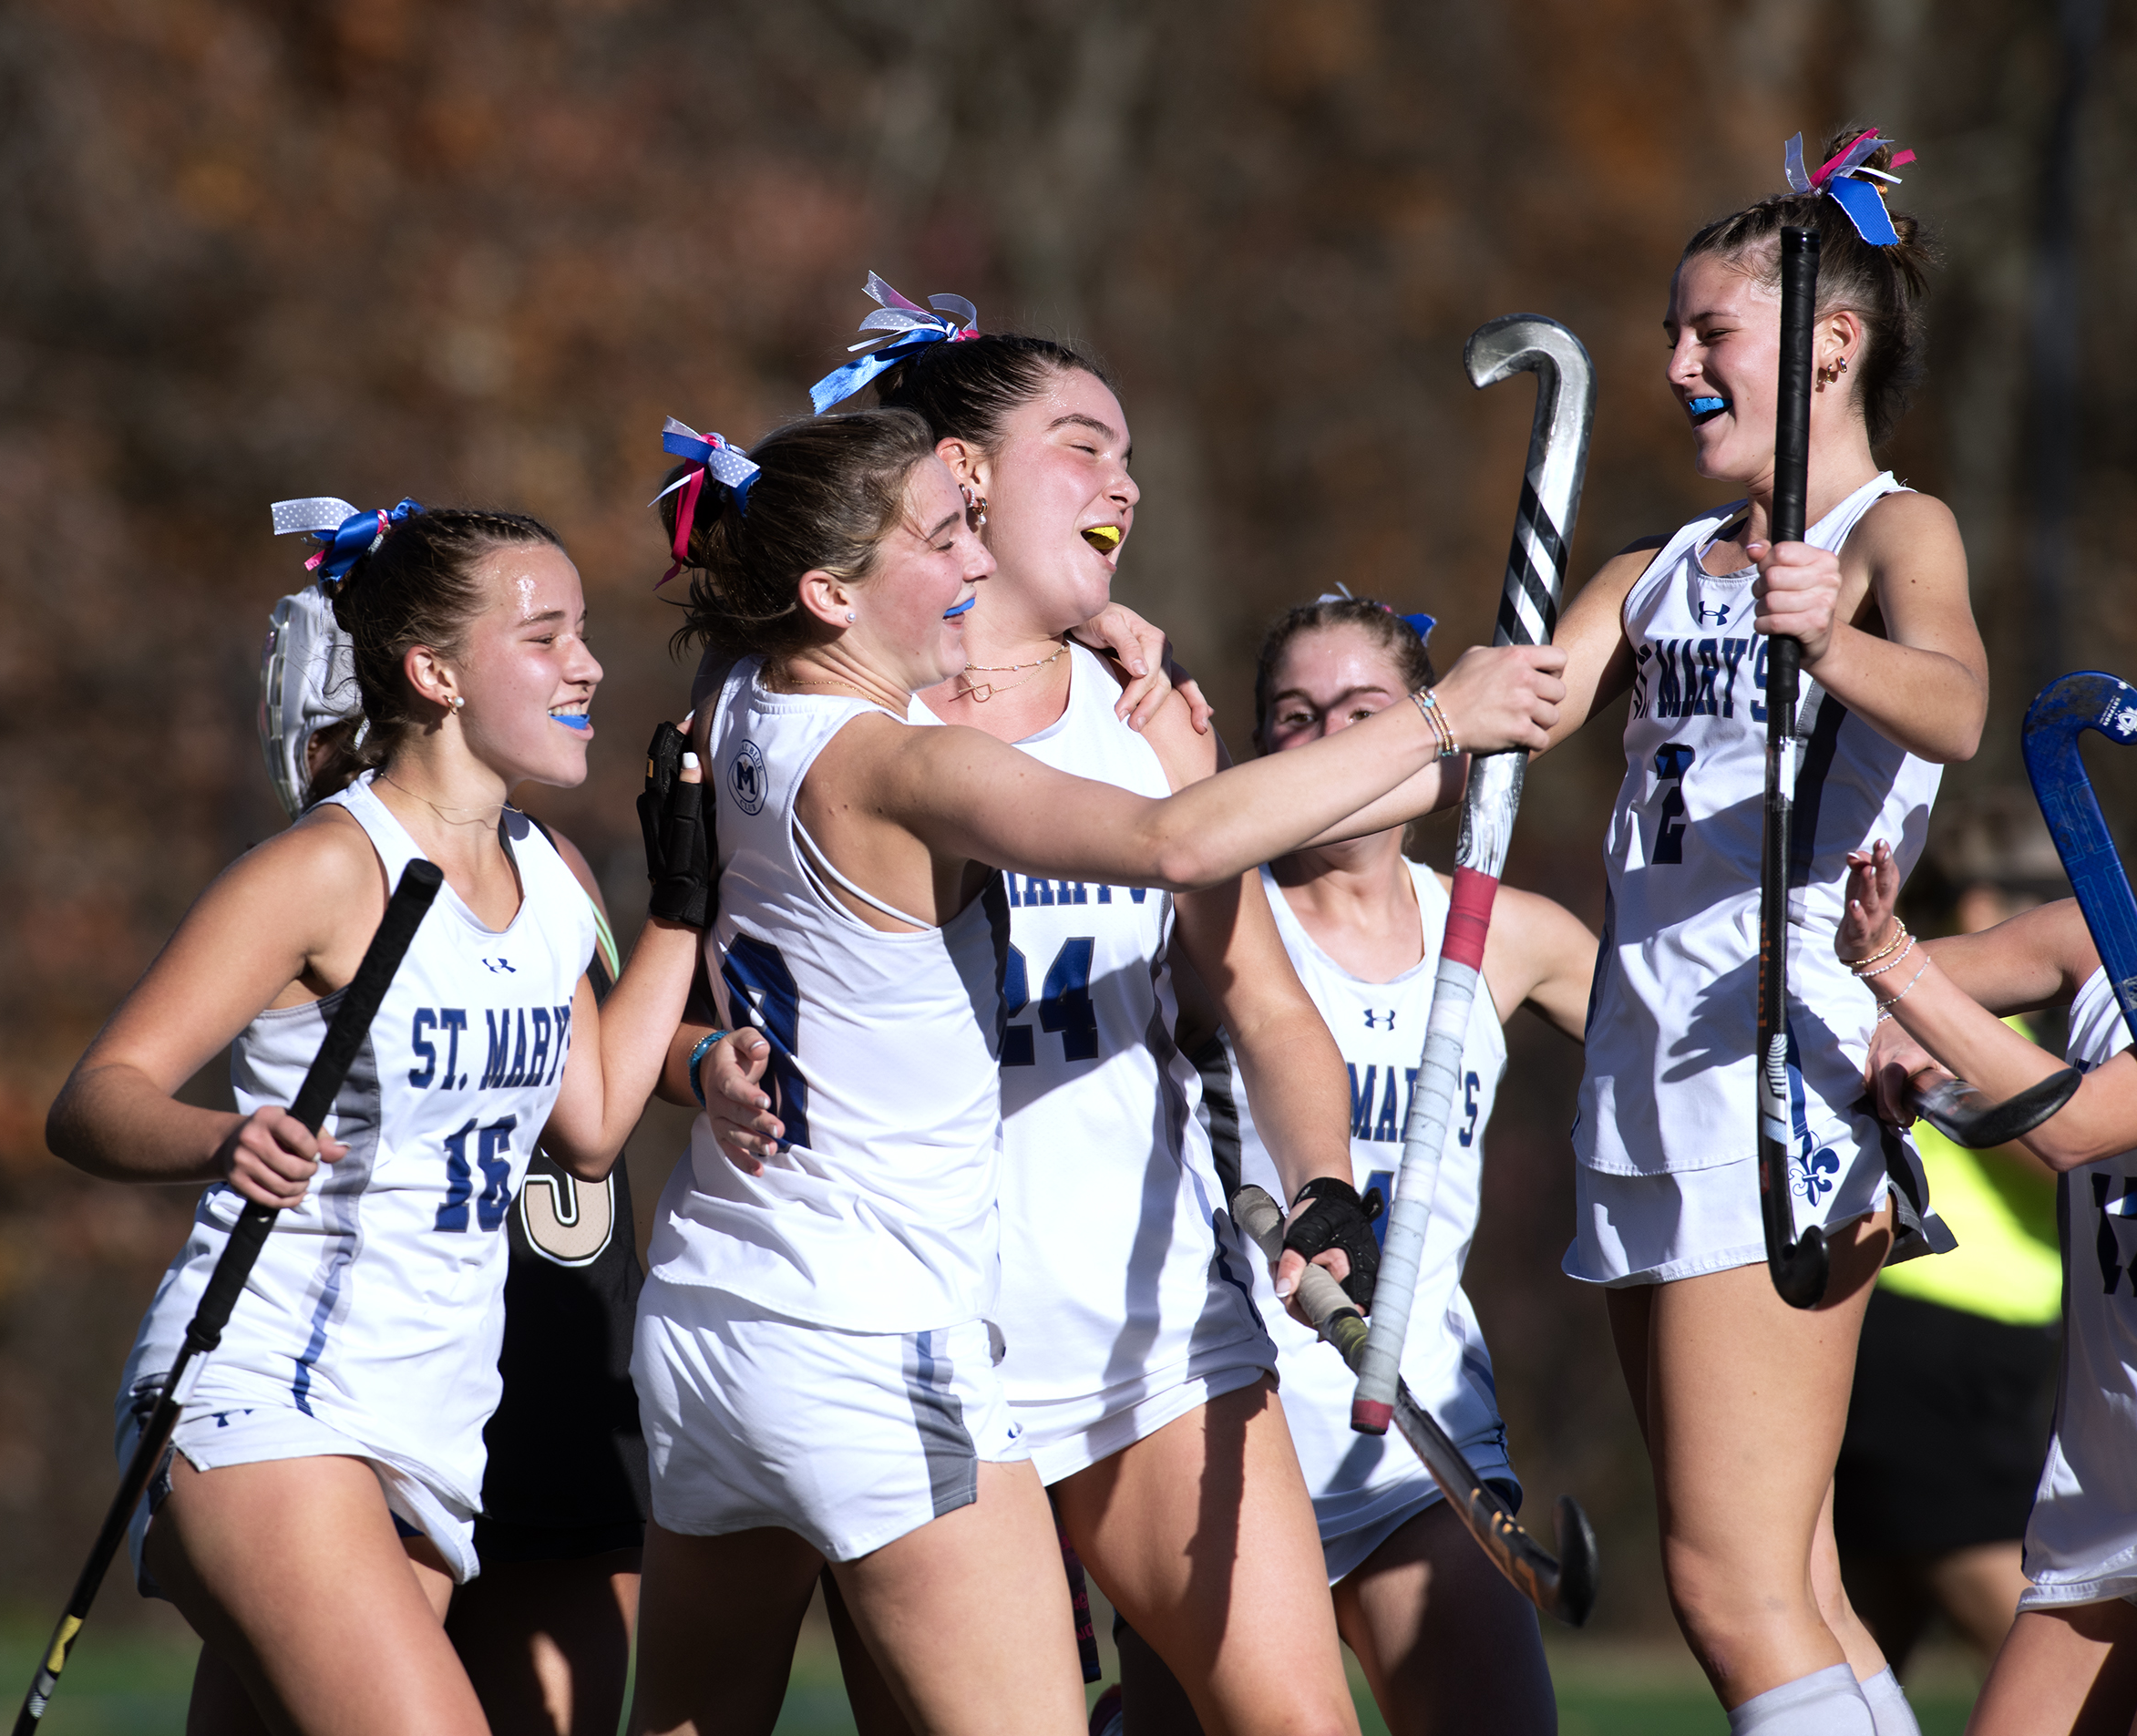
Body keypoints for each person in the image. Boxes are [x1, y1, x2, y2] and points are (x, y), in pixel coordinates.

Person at [622, 406, 1566, 1736]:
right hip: (882, 1327)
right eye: (946, 531)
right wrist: (1436, 717)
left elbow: (1254, 980)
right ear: (832, 589)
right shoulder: (903, 759)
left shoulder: (732, 696)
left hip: (719, 1303)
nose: (969, 565)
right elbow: (1178, 840)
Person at [46, 501, 704, 1736]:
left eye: (585, 633)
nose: (589, 664)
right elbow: (95, 1099)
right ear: (435, 672)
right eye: (546, 635)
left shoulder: (548, 871)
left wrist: (680, 902)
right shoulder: (328, 868)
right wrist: (220, 1140)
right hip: (266, 1392)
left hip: (428, 1427)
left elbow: (597, 1120)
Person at [1533, 128, 1986, 1734]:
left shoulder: (1886, 534)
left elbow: (1957, 708)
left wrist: (1835, 641)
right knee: (1789, 1581)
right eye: (1670, 335)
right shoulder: (1652, 569)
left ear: (1830, 344)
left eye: (1708, 332)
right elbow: (1513, 708)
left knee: (1730, 1596)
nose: (1674, 367)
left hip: (1769, 1082)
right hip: (1642, 1082)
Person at [1104, 593, 1598, 1736]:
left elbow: (1687, 1044)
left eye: (1363, 710)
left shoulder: (1507, 932)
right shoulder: (1211, 918)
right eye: (1295, 717)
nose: (1331, 743)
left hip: (1417, 1438)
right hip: (1221, 1432)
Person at [258, 578, 658, 1736]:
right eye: (324, 734)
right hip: (381, 1363)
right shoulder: (327, 875)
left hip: (557, 1323)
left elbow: (604, 1076)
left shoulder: (549, 870)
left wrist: (715, 1054)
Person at [1838, 843, 2137, 1736]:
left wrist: (1899, 974)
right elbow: (1905, 989)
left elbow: (2076, 1126)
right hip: (2107, 1496)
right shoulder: (2104, 937)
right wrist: (1904, 1017)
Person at [1833, 873, 2060, 1681]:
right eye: (2036, 890)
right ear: (1978, 901)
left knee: (1866, 1635)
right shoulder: (1967, 1025)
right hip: (1934, 1344)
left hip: (1975, 1353)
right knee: (2045, 1655)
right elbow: (2056, 1153)